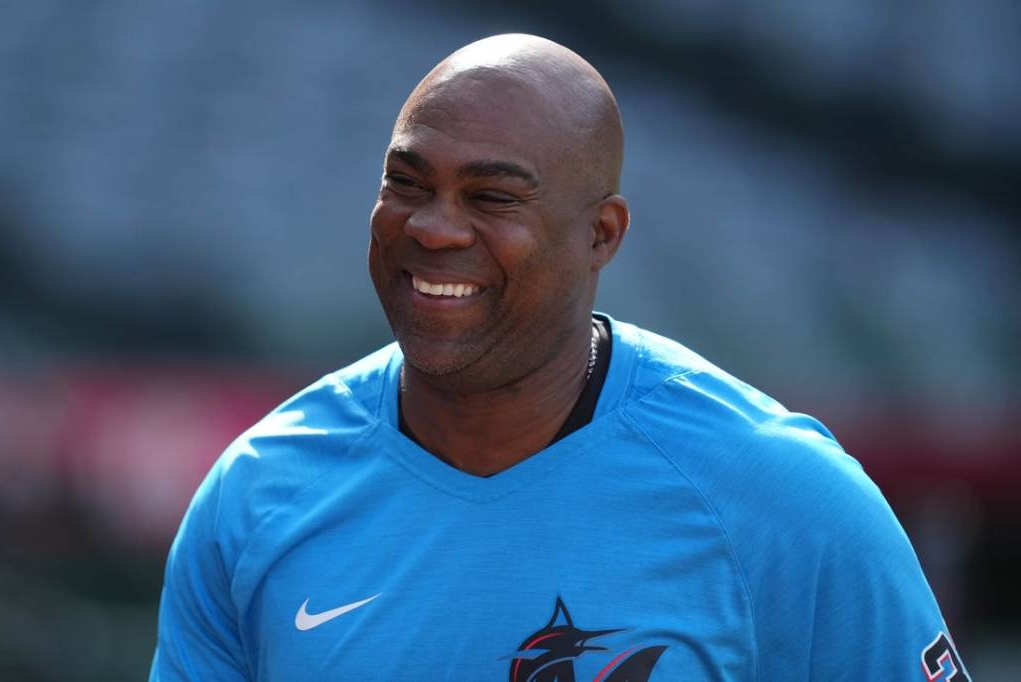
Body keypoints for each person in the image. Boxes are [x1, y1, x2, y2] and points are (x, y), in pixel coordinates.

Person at [150, 34, 968, 680]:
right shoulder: (258, 494)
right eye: (407, 183)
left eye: (492, 197)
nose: (433, 228)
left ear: (600, 234)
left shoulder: (782, 501)